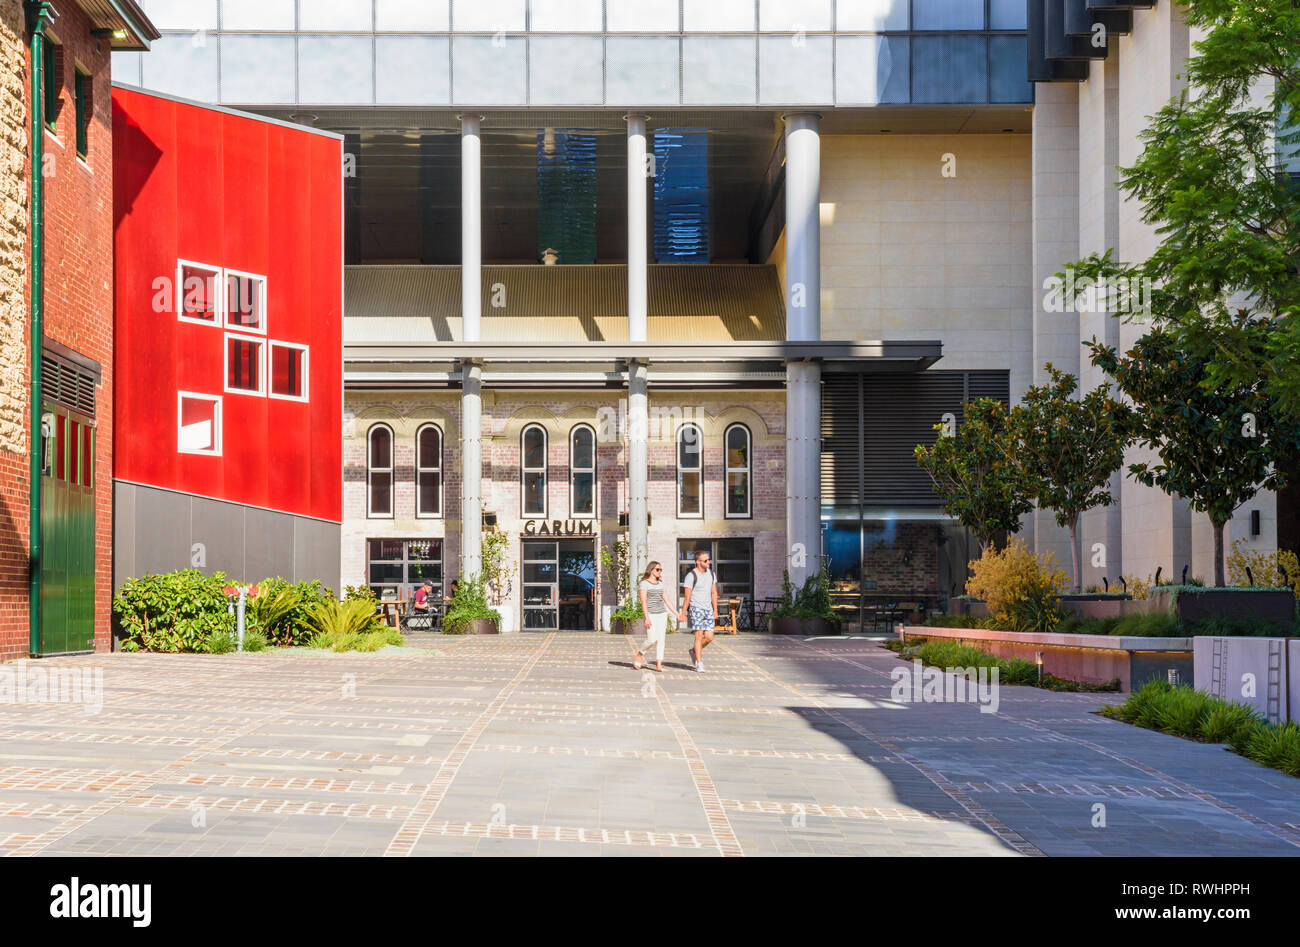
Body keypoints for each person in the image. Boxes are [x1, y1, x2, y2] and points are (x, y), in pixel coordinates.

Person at [634, 561, 679, 673]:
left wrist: (677, 614)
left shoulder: (661, 584)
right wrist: (646, 617)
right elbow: (643, 601)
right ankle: (640, 653)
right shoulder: (644, 583)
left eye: (661, 570)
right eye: (657, 569)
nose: (659, 572)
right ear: (651, 570)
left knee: (661, 640)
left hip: (662, 614)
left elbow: (667, 600)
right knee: (651, 639)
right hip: (651, 615)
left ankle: (659, 665)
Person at [681, 549, 718, 672]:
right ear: (698, 562)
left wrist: (715, 610)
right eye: (706, 560)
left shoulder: (711, 574)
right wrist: (683, 613)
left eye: (709, 559)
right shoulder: (691, 576)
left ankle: (694, 651)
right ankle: (699, 662)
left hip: (708, 609)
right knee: (698, 636)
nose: (709, 562)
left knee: (709, 637)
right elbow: (687, 597)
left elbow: (713, 593)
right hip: (696, 608)